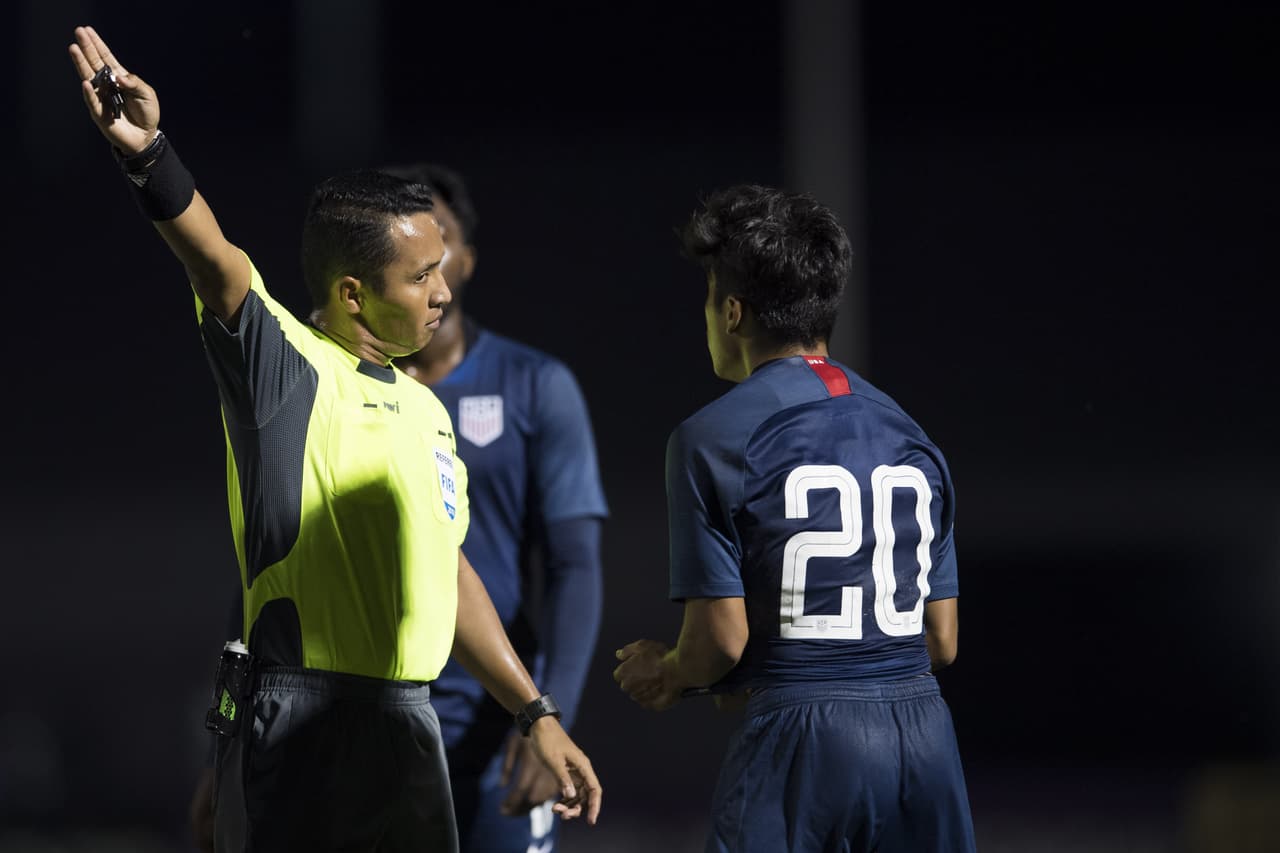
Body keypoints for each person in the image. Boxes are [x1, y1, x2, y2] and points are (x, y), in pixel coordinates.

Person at [67, 25, 601, 853]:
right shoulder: (283, 363)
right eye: (420, 276)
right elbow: (213, 260)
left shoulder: (426, 408)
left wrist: (536, 712)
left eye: (444, 269)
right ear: (354, 293)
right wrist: (149, 155)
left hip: (408, 724)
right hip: (300, 720)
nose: (441, 292)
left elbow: (448, 568)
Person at [612, 185, 974, 852]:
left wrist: (668, 667)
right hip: (924, 736)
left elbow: (718, 641)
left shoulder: (711, 437)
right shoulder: (911, 431)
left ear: (732, 311)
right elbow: (942, 639)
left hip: (802, 741)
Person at [381, 162, 608, 853]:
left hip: (496, 725)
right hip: (364, 724)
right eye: (405, 238)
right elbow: (275, 552)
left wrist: (548, 716)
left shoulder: (536, 386)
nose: (426, 255)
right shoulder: (334, 387)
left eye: (440, 236)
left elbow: (576, 566)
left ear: (465, 260)